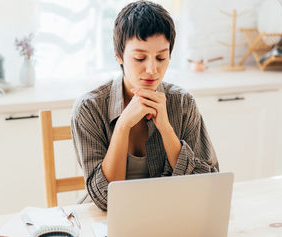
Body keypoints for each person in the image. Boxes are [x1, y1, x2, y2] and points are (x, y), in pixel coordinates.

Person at [71, 0, 219, 211]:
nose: (152, 69)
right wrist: (122, 126)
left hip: (167, 215)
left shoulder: (183, 103)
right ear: (119, 55)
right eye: (140, 58)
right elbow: (106, 200)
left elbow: (207, 184)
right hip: (107, 222)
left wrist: (166, 129)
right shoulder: (89, 108)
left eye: (161, 57)